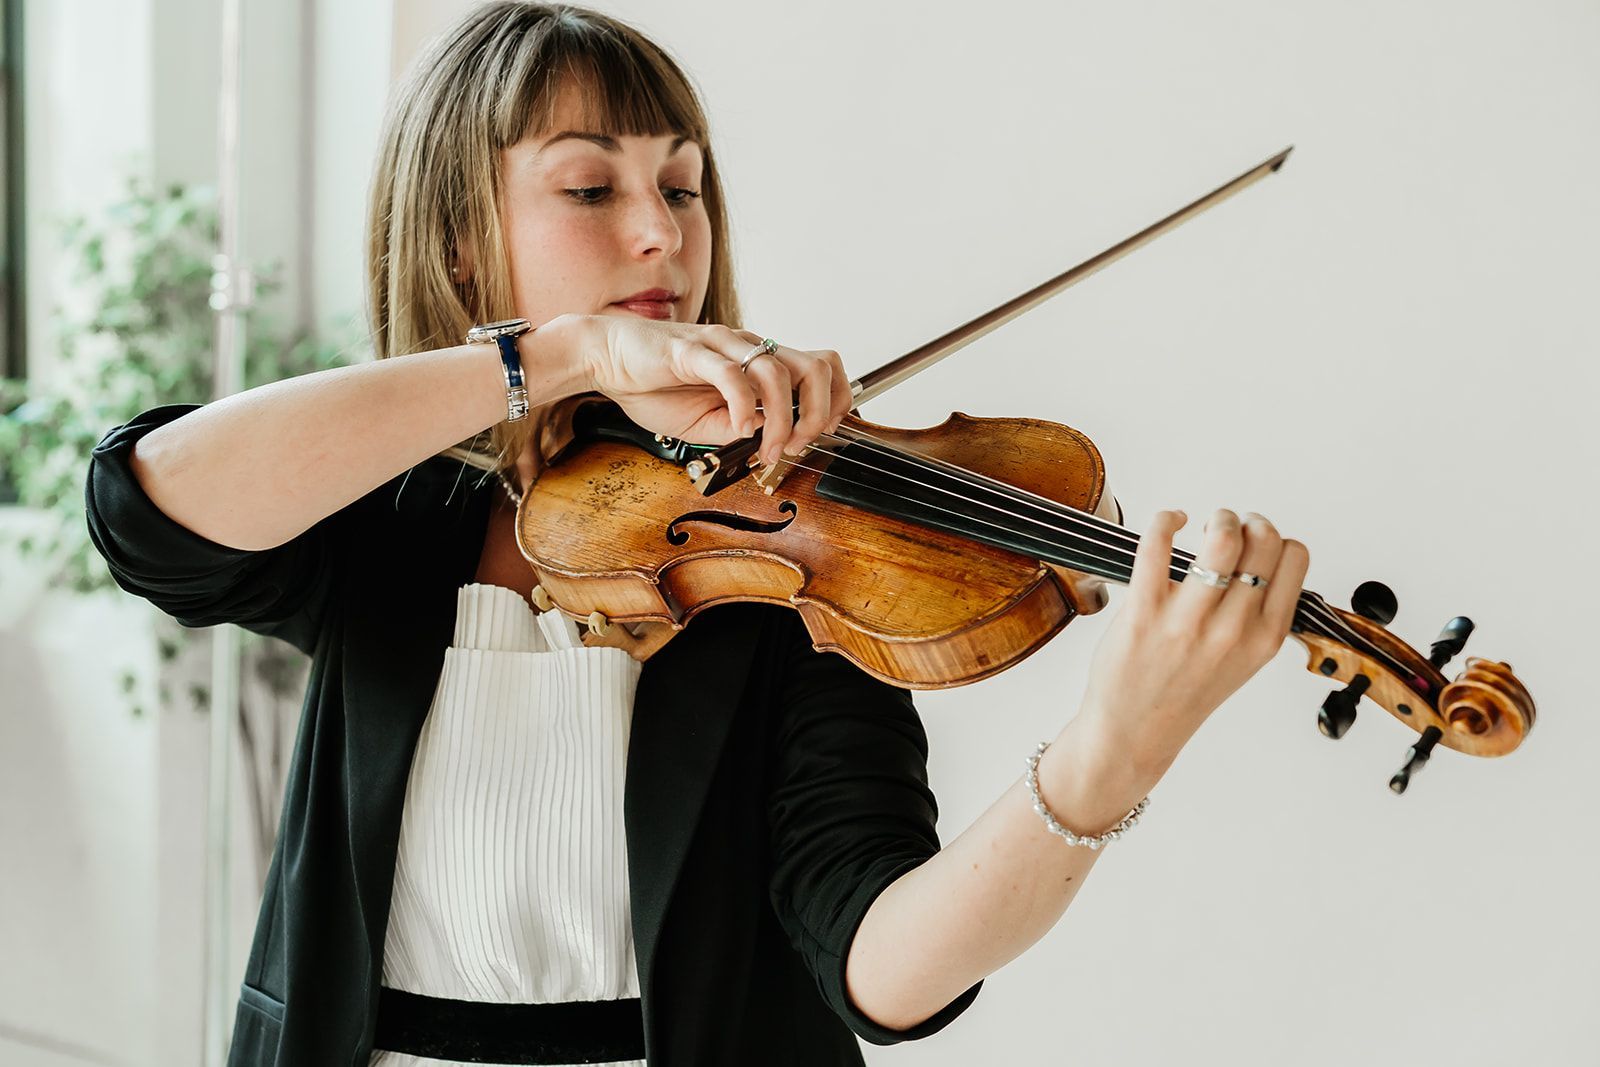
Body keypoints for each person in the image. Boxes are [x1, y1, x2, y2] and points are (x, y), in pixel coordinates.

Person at [83, 3, 1310, 1065]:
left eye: (680, 184)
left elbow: (885, 967)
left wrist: (1112, 751)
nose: (663, 230)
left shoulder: (792, 550)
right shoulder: (388, 501)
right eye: (589, 187)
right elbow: (147, 505)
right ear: (461, 237)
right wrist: (562, 352)